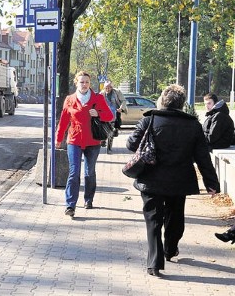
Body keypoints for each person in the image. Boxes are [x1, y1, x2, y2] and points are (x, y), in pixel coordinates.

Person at [126, 84, 219, 278]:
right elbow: (203, 157)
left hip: (151, 179)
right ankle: (170, 248)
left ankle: (154, 263)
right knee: (175, 217)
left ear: (163, 100)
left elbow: (131, 144)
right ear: (182, 104)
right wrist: (211, 183)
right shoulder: (193, 125)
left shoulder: (150, 120)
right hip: (180, 180)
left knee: (153, 221)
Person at [56, 71, 113, 217]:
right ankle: (70, 205)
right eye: (82, 82)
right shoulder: (69, 99)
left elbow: (110, 115)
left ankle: (88, 199)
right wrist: (58, 138)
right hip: (74, 140)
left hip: (93, 141)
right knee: (74, 173)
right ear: (76, 83)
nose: (85, 84)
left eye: (87, 82)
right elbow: (63, 121)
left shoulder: (98, 98)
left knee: (89, 172)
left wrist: (98, 114)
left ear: (90, 83)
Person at [100, 81, 127, 154]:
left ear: (112, 87)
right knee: (103, 129)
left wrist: (121, 108)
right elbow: (97, 101)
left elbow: (123, 101)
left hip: (114, 113)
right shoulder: (102, 93)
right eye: (106, 88)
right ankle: (103, 140)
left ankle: (109, 148)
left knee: (111, 131)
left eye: (109, 88)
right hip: (105, 114)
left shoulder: (117, 92)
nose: (107, 89)